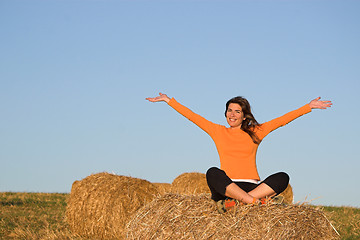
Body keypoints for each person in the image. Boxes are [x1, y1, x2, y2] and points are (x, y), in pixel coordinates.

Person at [146, 93, 332, 213]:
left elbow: (282, 120)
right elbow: (193, 116)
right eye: (229, 110)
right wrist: (168, 101)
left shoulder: (256, 131)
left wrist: (309, 107)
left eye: (237, 111)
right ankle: (252, 203)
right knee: (212, 172)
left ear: (244, 115)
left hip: (252, 187)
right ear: (225, 113)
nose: (232, 114)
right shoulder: (218, 131)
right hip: (227, 188)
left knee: (283, 177)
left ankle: (242, 203)